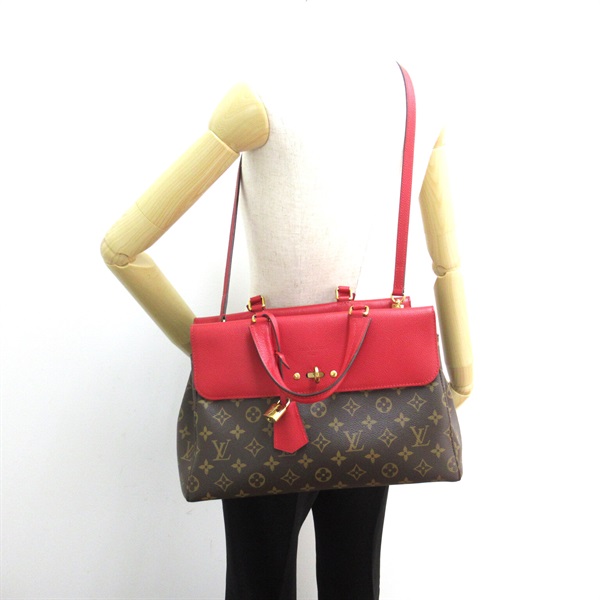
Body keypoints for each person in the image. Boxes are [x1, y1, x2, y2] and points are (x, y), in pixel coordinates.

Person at [101, 29, 472, 600]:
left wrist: (211, 358)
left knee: (258, 585)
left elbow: (121, 249)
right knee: (355, 582)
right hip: (373, 399)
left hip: (265, 401)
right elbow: (447, 264)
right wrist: (461, 376)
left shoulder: (257, 100)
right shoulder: (417, 96)